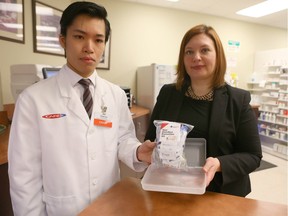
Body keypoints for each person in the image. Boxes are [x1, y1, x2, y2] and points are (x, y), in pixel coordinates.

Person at [8, 2, 155, 215]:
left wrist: (137, 151)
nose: (89, 47)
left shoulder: (114, 95)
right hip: (61, 209)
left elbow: (123, 139)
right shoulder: (33, 99)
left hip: (109, 204)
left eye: (98, 40)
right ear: (62, 40)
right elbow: (24, 175)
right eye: (79, 37)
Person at [145, 24, 262, 197]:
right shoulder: (168, 93)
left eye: (205, 50)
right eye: (189, 52)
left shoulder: (238, 99)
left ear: (218, 56)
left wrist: (219, 163)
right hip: (172, 189)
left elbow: (252, 156)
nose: (196, 57)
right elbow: (150, 139)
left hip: (220, 194)